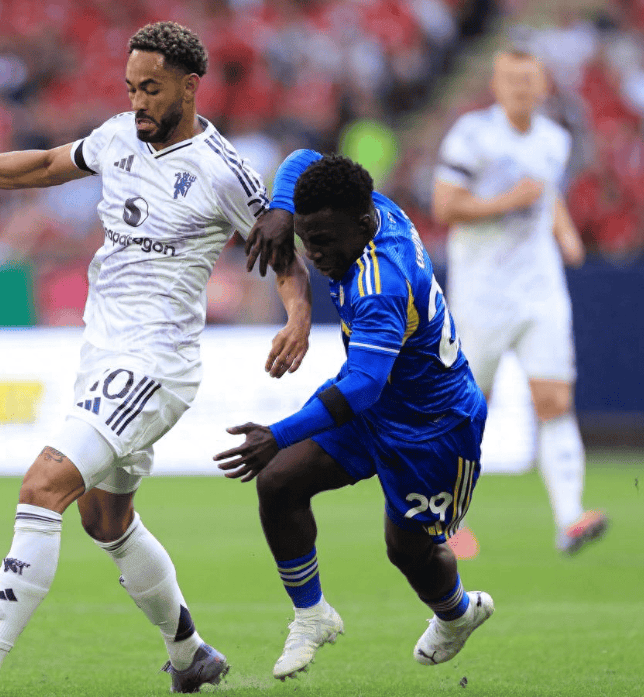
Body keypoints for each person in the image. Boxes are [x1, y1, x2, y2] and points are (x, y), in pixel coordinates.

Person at [0, 21, 312, 697]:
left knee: (42, 486)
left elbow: (281, 254)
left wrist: (298, 316)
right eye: (131, 87)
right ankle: (189, 653)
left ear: (189, 87)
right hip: (101, 355)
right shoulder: (116, 136)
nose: (137, 102)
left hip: (155, 364)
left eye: (151, 89)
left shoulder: (221, 170)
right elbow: (45, 165)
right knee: (105, 519)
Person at [217, 151, 492, 680]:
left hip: (432, 428)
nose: (314, 254)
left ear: (364, 226)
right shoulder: (366, 207)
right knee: (279, 482)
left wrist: (277, 433)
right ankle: (311, 615)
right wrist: (281, 210)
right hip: (379, 404)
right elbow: (303, 158)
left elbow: (363, 387)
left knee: (407, 551)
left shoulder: (379, 284)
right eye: (307, 238)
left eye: (324, 242)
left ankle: (458, 613)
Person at [432, 49, 607, 557]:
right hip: (483, 293)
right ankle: (443, 520)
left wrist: (565, 232)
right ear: (496, 84)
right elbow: (445, 205)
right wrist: (509, 201)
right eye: (511, 79)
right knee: (466, 408)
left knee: (554, 400)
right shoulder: (472, 135)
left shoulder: (554, 139)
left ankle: (570, 518)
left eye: (529, 80)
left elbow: (546, 194)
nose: (521, 88)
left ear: (543, 86)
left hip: (539, 289)